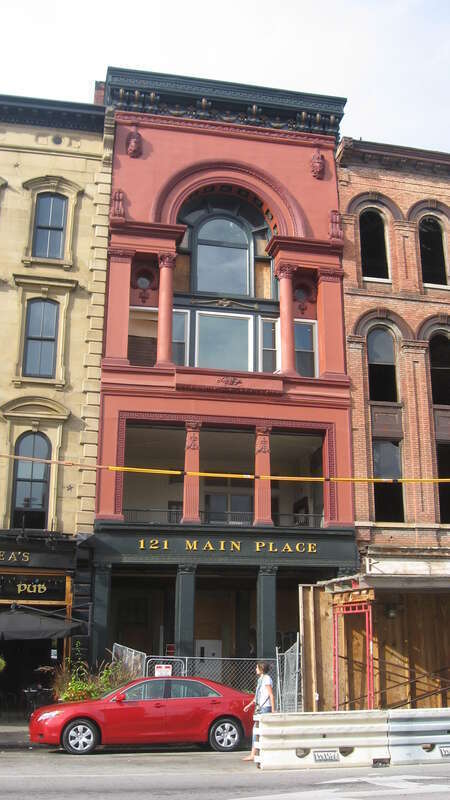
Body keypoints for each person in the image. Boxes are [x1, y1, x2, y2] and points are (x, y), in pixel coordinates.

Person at [242, 661, 275, 761]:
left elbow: (271, 695)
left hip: (265, 708)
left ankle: (254, 754)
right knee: (257, 730)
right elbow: (258, 696)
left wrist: (273, 710)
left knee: (257, 730)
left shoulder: (267, 679)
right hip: (260, 708)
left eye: (257, 668)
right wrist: (249, 705)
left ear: (261, 669)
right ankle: (255, 753)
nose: (255, 669)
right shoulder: (261, 679)